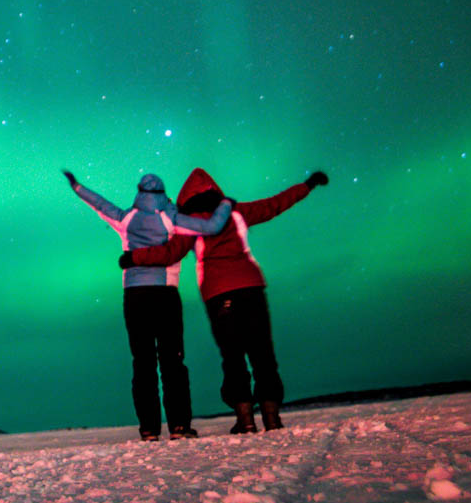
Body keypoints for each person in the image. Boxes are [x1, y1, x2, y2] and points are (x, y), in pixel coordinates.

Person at [120, 167, 328, 434]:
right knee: (262, 352)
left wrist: (134, 258)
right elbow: (275, 205)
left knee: (233, 356)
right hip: (251, 286)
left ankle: (245, 419)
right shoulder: (236, 211)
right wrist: (307, 185)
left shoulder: (189, 223)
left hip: (218, 293)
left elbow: (169, 253)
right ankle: (272, 417)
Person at [64, 169, 235, 441]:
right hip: (165, 294)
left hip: (134, 296)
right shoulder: (172, 218)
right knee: (173, 361)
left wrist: (76, 186)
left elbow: (99, 203)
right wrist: (226, 205)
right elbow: (213, 227)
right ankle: (179, 425)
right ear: (162, 193)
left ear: (139, 192)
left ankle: (148, 429)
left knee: (142, 362)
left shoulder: (126, 218)